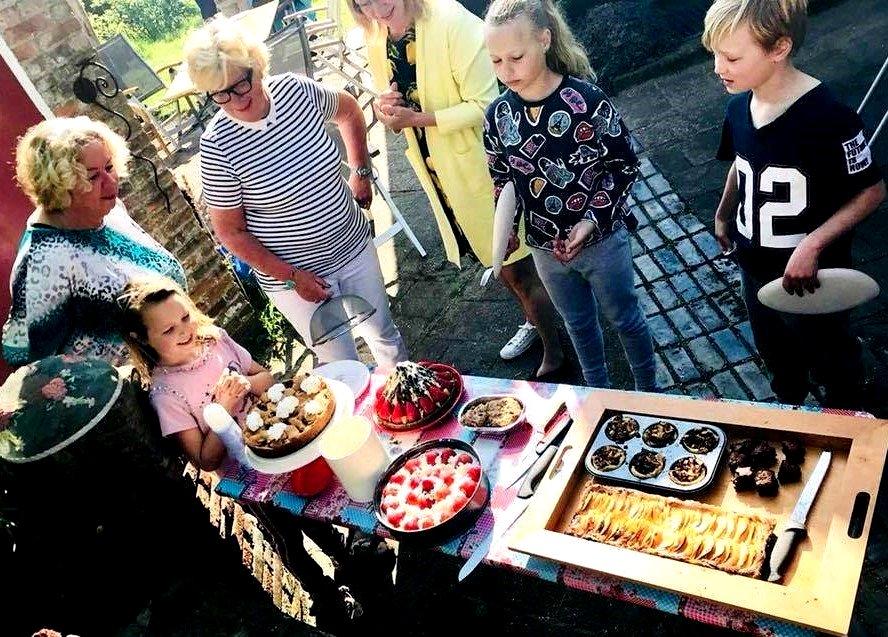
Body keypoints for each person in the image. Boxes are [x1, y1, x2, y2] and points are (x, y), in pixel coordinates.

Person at [118, 275, 384, 629]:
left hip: (283, 455)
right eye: (168, 330)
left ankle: (346, 560)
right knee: (288, 537)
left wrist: (249, 384)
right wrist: (223, 409)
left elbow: (264, 378)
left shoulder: (216, 341)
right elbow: (205, 459)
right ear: (143, 339)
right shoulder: (167, 395)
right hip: (249, 481)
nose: (183, 331)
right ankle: (323, 595)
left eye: (185, 317)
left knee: (314, 512)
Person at [350, 0, 565, 377]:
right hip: (442, 174)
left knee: (518, 264)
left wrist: (417, 118)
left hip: (485, 170)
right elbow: (397, 100)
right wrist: (387, 108)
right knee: (496, 262)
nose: (376, 7)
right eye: (362, 2)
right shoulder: (379, 37)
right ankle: (535, 324)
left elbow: (488, 106)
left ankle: (556, 350)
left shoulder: (453, 23)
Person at [183, 16, 408, 368]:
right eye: (220, 94)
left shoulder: (295, 91)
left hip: (352, 246)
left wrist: (361, 172)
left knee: (383, 334)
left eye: (241, 85)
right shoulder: (216, 146)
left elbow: (349, 111)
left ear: (257, 66)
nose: (235, 100)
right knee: (341, 364)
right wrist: (292, 276)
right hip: (295, 276)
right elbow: (230, 231)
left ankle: (411, 411)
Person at [703, 0, 885, 408]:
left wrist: (812, 244)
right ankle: (789, 406)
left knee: (833, 361)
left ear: (779, 48)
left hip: (814, 280)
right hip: (755, 271)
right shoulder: (738, 105)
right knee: (778, 357)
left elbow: (872, 191)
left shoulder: (829, 118)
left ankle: (846, 415)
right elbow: (742, 160)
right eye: (715, 53)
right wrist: (724, 210)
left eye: (731, 57)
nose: (718, 67)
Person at [482, 0, 658, 391]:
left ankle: (650, 393)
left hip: (603, 241)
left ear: (544, 40)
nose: (506, 72)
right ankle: (596, 392)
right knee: (578, 325)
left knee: (626, 320)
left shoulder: (588, 100)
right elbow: (503, 179)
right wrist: (507, 227)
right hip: (545, 248)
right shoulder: (497, 116)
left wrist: (591, 220)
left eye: (516, 57)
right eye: (495, 61)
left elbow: (624, 165)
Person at [2, 117, 186, 366]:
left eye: (109, 167)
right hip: (143, 397)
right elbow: (28, 362)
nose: (110, 182)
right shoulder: (42, 261)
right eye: (91, 177)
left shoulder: (108, 209)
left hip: (191, 365)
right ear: (58, 186)